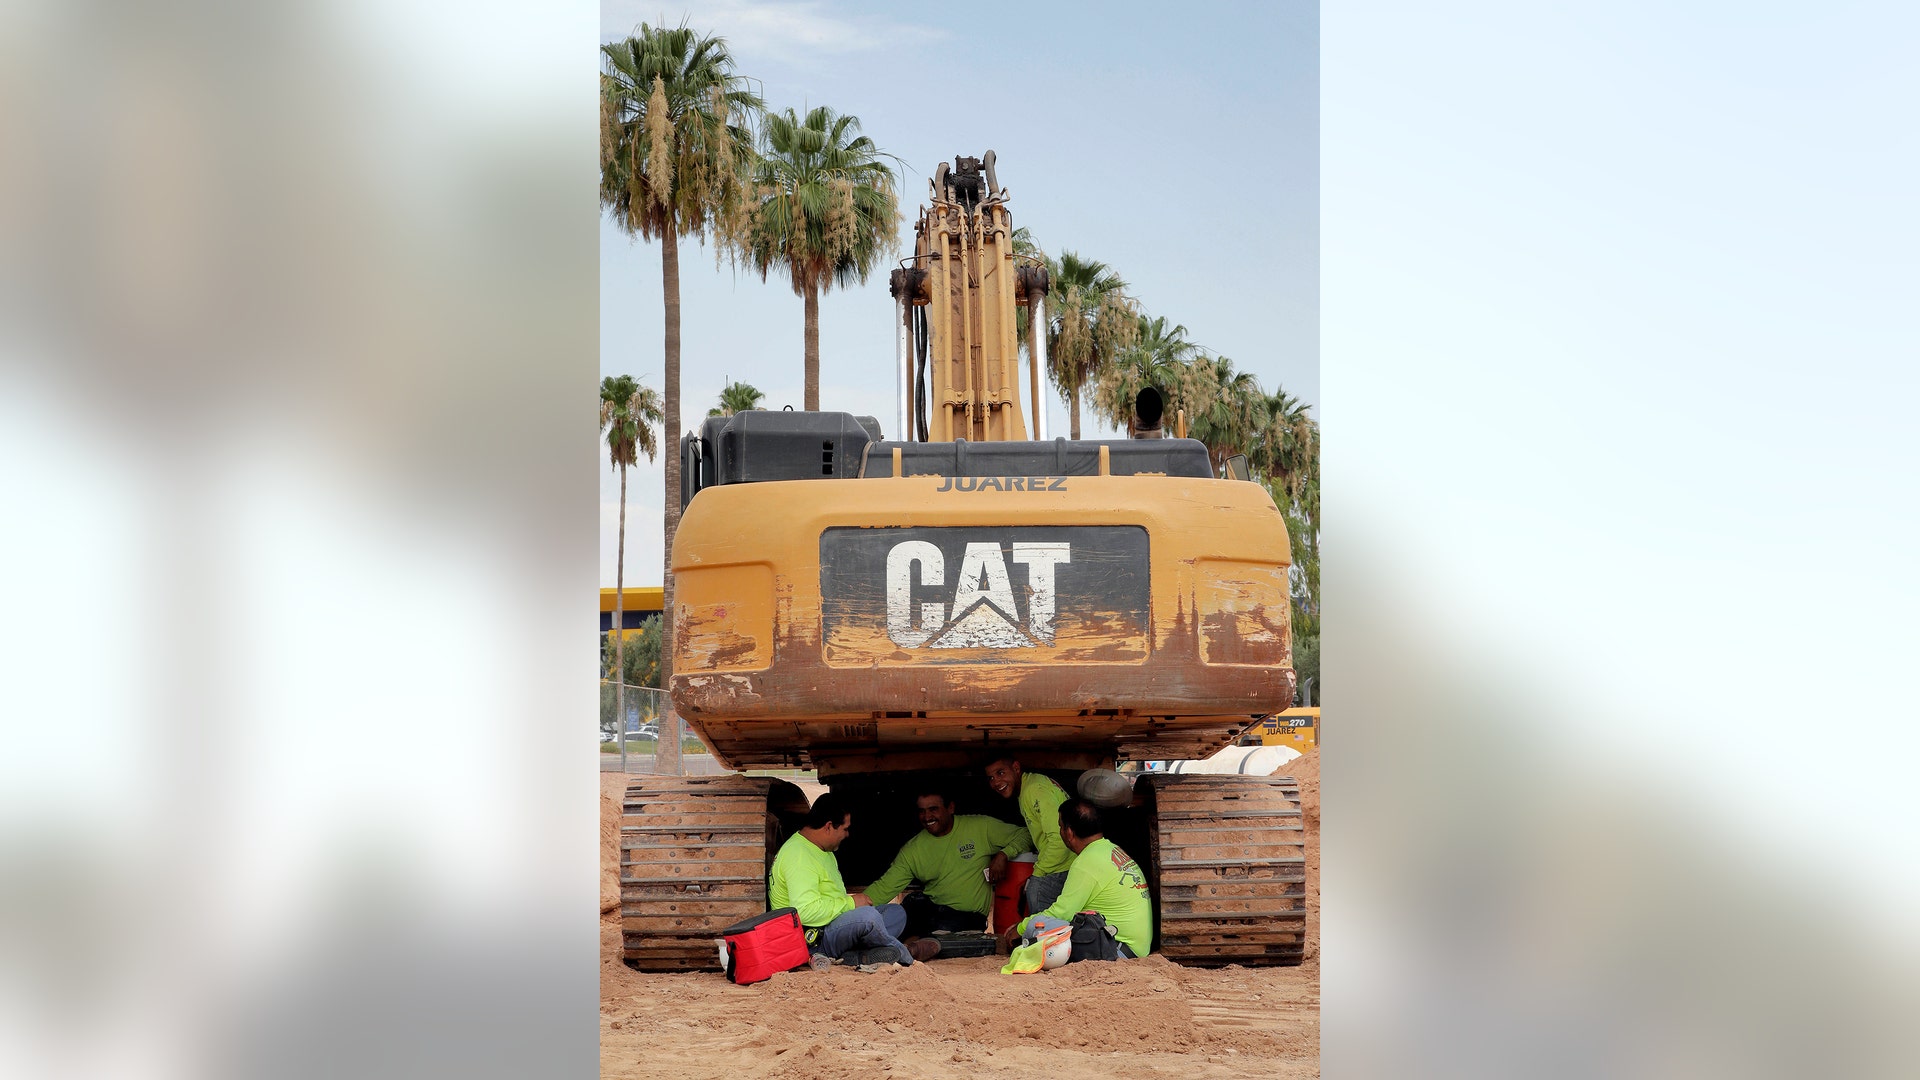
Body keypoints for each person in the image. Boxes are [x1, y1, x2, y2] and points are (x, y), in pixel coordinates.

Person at [767, 792, 937, 966]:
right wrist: (851, 903)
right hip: (813, 938)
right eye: (845, 829)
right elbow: (804, 912)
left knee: (896, 913)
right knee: (869, 917)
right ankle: (906, 954)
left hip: (831, 925)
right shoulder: (799, 856)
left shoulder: (821, 848)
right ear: (828, 826)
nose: (847, 834)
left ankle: (855, 956)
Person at [854, 787, 1031, 939]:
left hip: (967, 917)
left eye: (933, 809)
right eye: (922, 811)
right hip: (930, 910)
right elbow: (885, 887)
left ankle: (915, 944)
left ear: (950, 808)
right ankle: (910, 945)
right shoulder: (913, 849)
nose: (927, 816)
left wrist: (1003, 855)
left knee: (938, 929)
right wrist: (849, 911)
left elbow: (1026, 835)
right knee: (906, 908)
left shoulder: (980, 827)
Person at [997, 797, 1151, 961]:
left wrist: (1021, 928)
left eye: (1060, 827)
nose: (1060, 832)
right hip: (1135, 947)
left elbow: (1061, 913)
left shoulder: (1087, 861)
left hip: (1117, 949)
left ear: (1069, 833)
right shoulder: (1110, 849)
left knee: (1040, 926)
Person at [983, 755, 1072, 914]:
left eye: (1001, 773)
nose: (996, 782)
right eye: (991, 778)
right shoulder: (1029, 788)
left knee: (1043, 927)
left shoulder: (1034, 789)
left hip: (1062, 868)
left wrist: (1037, 875)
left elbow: (1060, 839)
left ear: (1016, 768)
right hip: (1061, 866)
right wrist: (1005, 853)